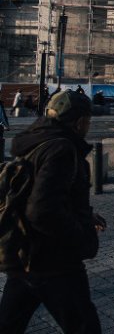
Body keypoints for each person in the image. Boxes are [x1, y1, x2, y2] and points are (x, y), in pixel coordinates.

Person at [0, 90, 106, 332]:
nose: (88, 126)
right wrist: (80, 234)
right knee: (84, 326)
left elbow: (36, 191)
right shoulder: (62, 149)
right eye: (88, 120)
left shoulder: (38, 140)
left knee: (8, 325)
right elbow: (42, 210)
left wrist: (85, 214)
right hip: (54, 261)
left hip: (24, 254)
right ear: (79, 122)